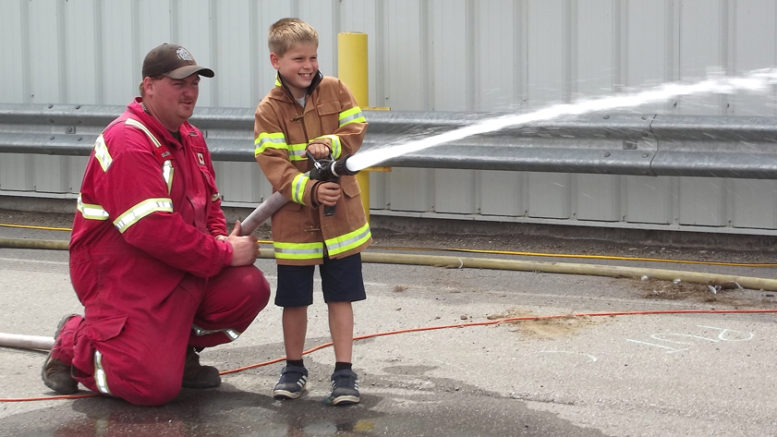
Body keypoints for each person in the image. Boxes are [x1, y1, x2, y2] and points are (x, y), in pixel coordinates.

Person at [41, 43, 271, 406]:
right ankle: (78, 341)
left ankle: (179, 353)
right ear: (148, 86)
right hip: (123, 278)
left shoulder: (191, 138)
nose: (190, 92)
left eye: (194, 83)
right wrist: (224, 252)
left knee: (248, 287)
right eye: (179, 83)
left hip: (173, 268)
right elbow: (150, 229)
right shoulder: (128, 141)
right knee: (150, 389)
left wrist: (217, 238)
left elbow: (209, 205)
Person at [253, 18, 371, 406]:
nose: (308, 65)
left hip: (341, 221)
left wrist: (330, 144)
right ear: (276, 60)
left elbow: (355, 130)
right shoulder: (268, 110)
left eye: (313, 57)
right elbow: (272, 162)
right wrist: (311, 189)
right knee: (294, 300)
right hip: (295, 220)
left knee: (341, 296)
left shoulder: (336, 89)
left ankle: (344, 374)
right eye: (298, 58)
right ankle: (293, 368)